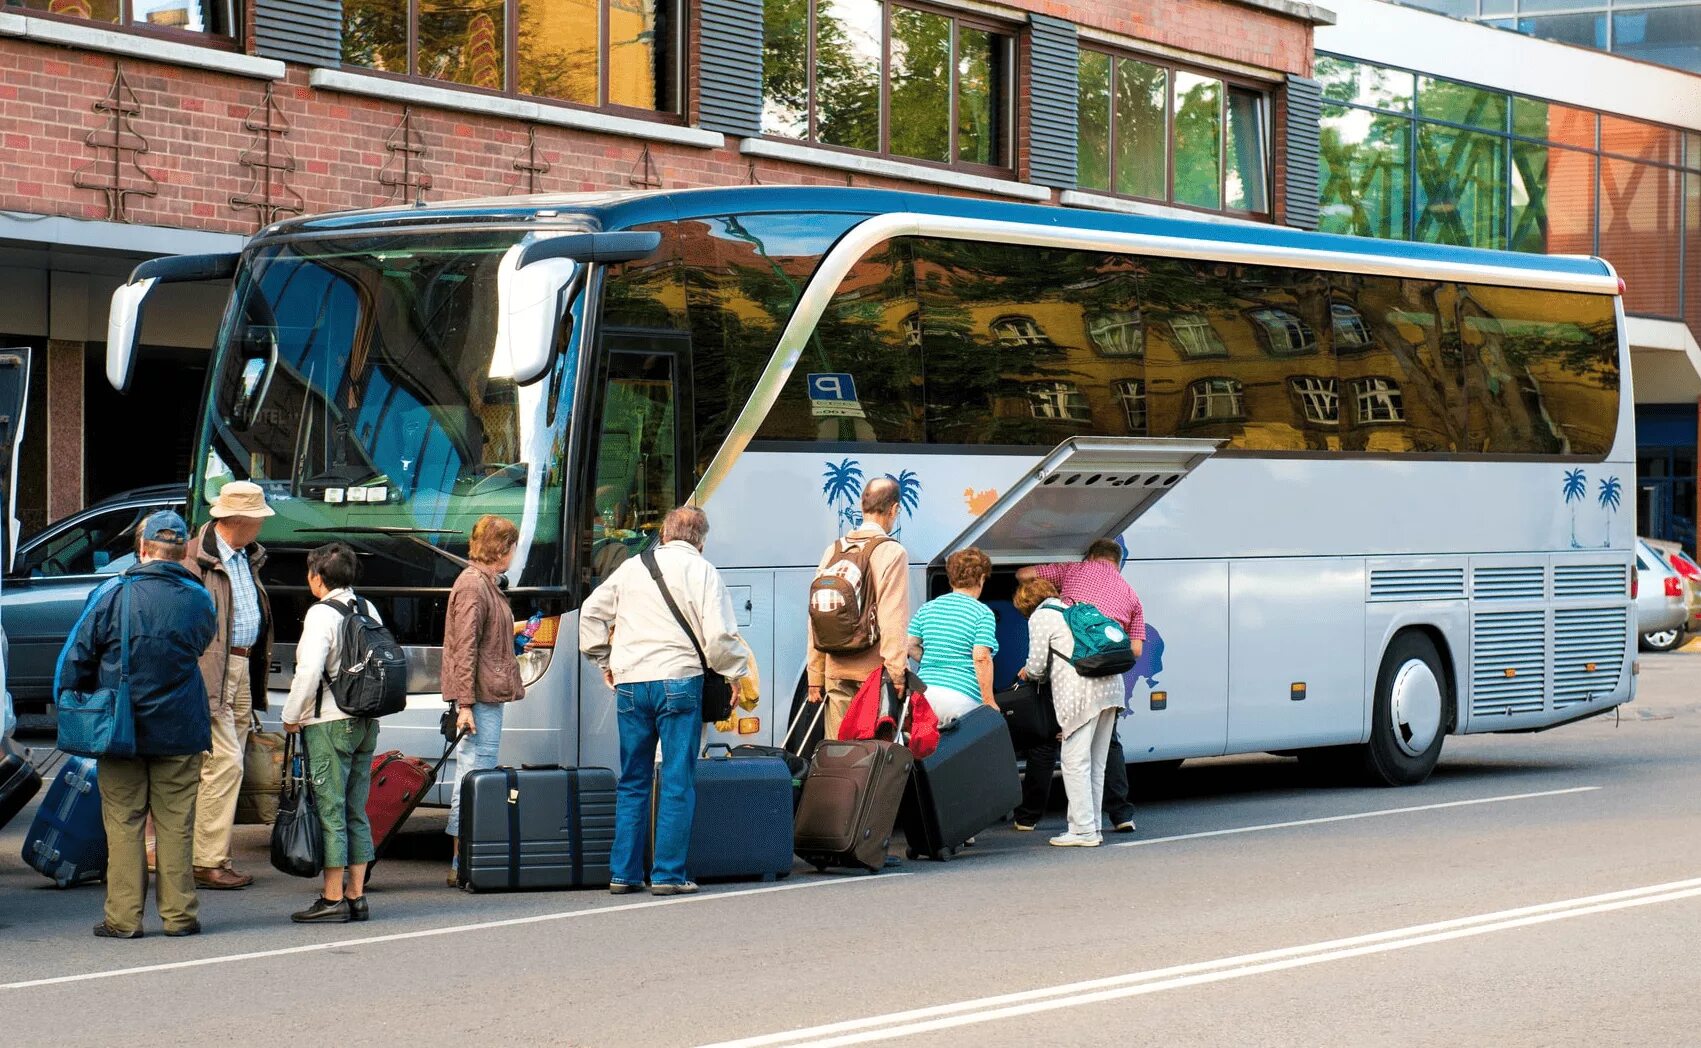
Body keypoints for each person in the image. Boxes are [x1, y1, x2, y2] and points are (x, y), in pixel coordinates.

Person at [58, 511, 216, 937]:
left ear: (142, 548)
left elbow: (76, 657)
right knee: (176, 824)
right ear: (182, 553)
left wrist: (71, 697)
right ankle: (179, 916)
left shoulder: (113, 593)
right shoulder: (200, 598)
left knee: (124, 824)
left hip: (119, 728)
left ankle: (124, 919)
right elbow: (202, 644)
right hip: (182, 727)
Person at [579, 506, 749, 896]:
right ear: (701, 541)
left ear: (665, 534)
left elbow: (591, 613)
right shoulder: (704, 571)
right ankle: (668, 874)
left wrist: (606, 660)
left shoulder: (632, 567)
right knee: (675, 780)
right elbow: (720, 637)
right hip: (678, 681)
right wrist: (734, 673)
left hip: (631, 684)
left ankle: (623, 874)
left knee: (633, 780)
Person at [1013, 538, 1145, 833]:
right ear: (1117, 561)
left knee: (1050, 742)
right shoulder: (1131, 593)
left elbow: (1023, 574)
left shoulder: (1074, 569)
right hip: (1109, 680)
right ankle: (1119, 814)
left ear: (1091, 555)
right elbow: (1135, 650)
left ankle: (1031, 817)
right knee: (1107, 748)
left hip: (1072, 675)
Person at [281, 544, 380, 924]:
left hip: (329, 722)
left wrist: (292, 716)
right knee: (357, 808)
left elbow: (308, 672)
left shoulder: (321, 614)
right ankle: (357, 896)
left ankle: (332, 896)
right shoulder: (367, 608)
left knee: (330, 809)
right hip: (366, 720)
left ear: (317, 578)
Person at [186, 480, 275, 890]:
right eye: (258, 518)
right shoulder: (197, 560)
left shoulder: (243, 555)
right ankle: (206, 860)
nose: (262, 526)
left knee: (223, 764)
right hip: (215, 670)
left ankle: (210, 853)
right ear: (239, 519)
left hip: (239, 666)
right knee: (225, 763)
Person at [443, 514, 528, 886]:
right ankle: (463, 861)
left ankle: (467, 858)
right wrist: (464, 705)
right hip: (478, 700)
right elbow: (464, 648)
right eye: (512, 546)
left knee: (478, 773)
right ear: (504, 549)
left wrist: (514, 634)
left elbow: (480, 640)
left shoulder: (483, 585)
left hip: (482, 694)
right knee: (474, 775)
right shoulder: (474, 586)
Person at [807, 477, 910, 738]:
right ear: (894, 509)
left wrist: (815, 675)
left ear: (862, 506)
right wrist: (897, 674)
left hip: (835, 669)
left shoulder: (833, 549)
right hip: (872, 676)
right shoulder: (892, 552)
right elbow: (892, 618)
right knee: (870, 756)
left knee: (838, 752)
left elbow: (816, 618)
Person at [907, 547, 998, 725]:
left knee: (929, 751)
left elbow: (909, 645)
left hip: (925, 695)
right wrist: (989, 702)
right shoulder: (982, 613)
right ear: (981, 579)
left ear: (951, 579)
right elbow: (981, 657)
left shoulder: (928, 608)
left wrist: (932, 660)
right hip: (961, 698)